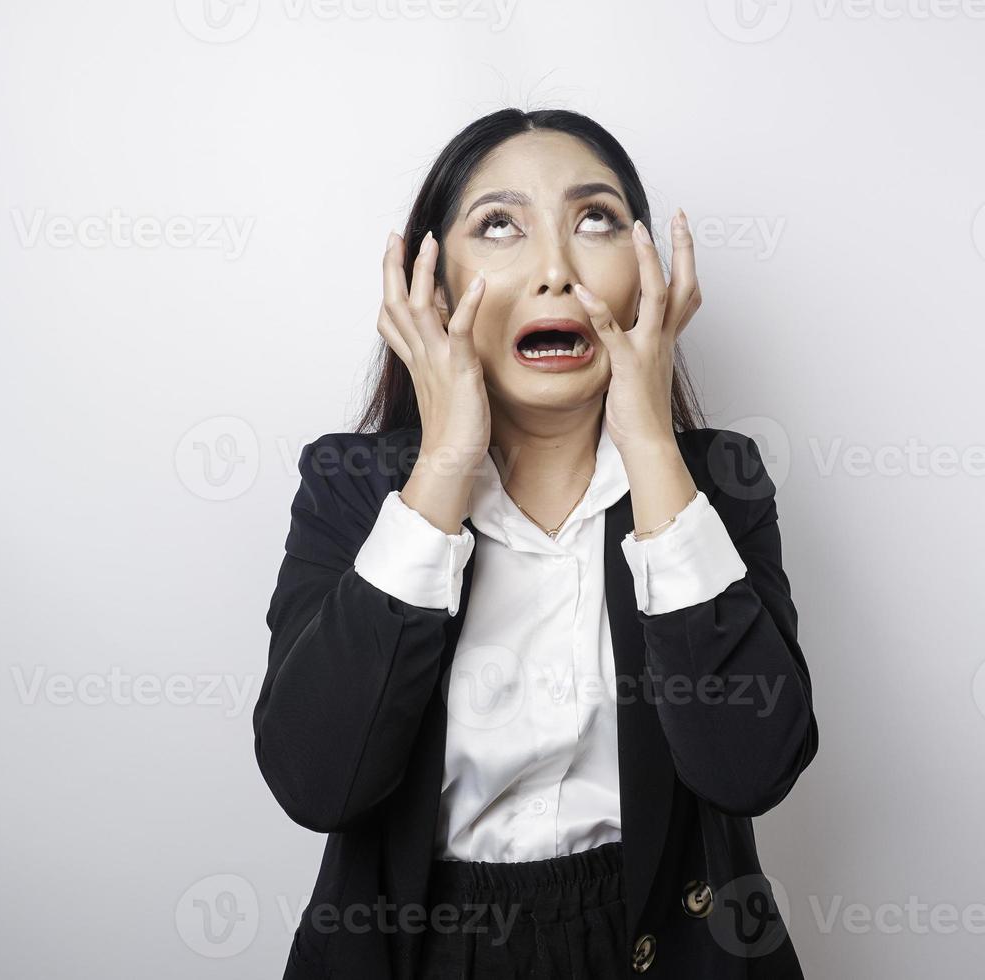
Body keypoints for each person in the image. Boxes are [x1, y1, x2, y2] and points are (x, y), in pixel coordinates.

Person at [253, 107, 819, 979]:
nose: (556, 269)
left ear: (646, 278)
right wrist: (443, 465)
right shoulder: (350, 485)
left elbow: (751, 768)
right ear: (432, 289)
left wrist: (653, 450)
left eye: (595, 220)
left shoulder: (719, 482)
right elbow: (319, 780)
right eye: (500, 226)